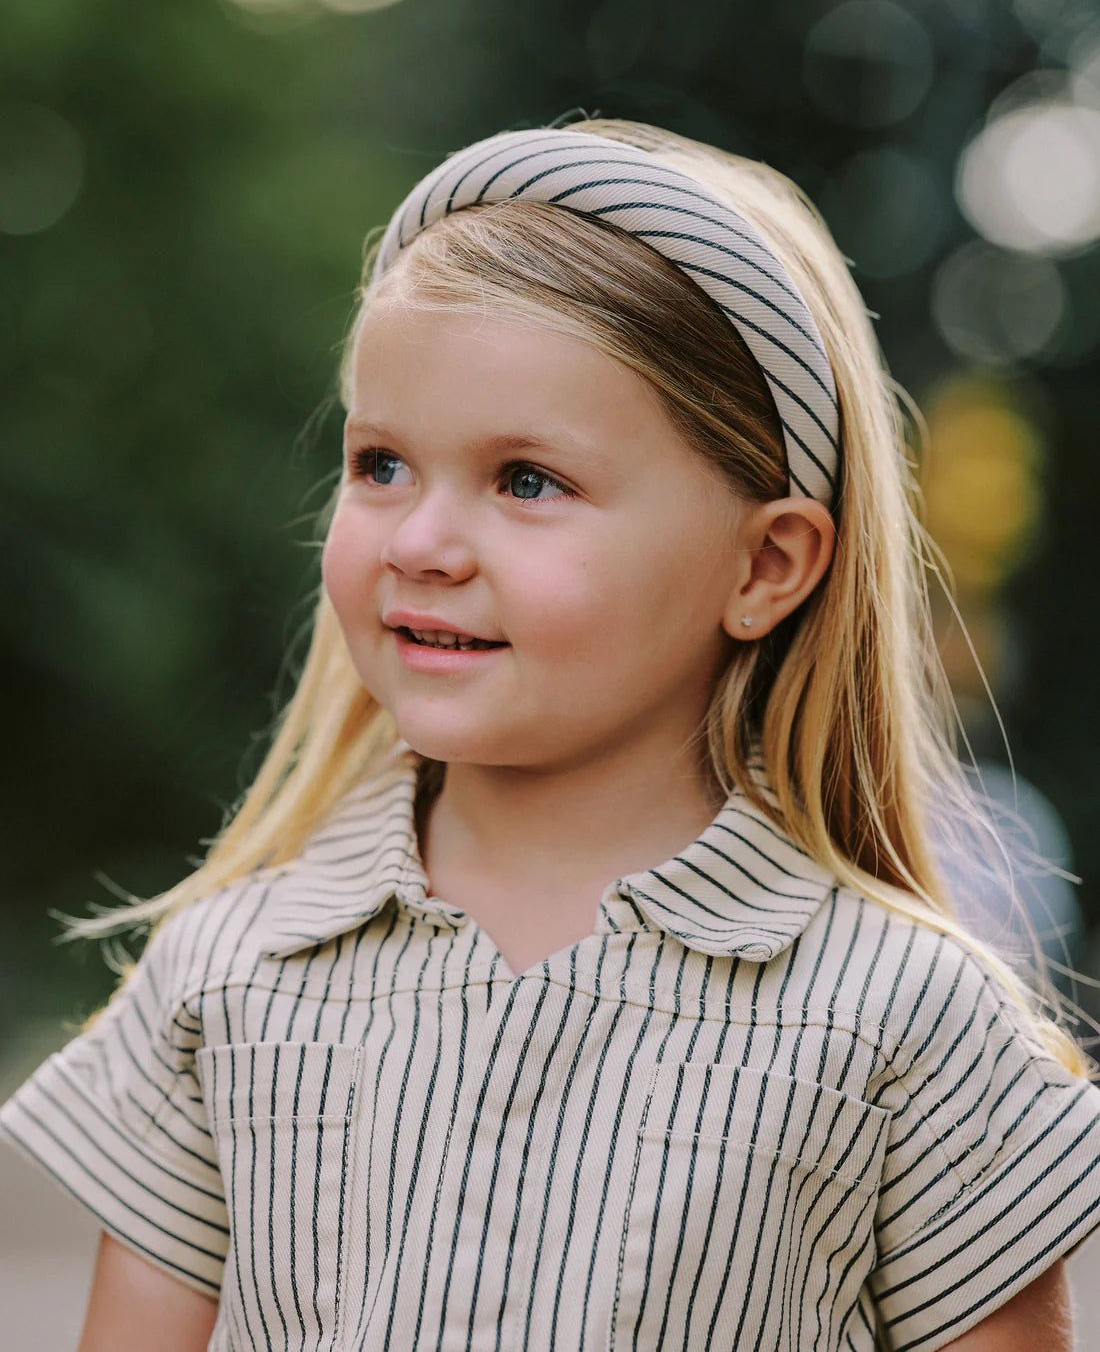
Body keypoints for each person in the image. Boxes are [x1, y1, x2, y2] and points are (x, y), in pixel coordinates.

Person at [1, 118, 1097, 1352]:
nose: (419, 542)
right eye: (381, 465)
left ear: (766, 562)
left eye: (526, 479)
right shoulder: (220, 979)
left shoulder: (908, 1025)